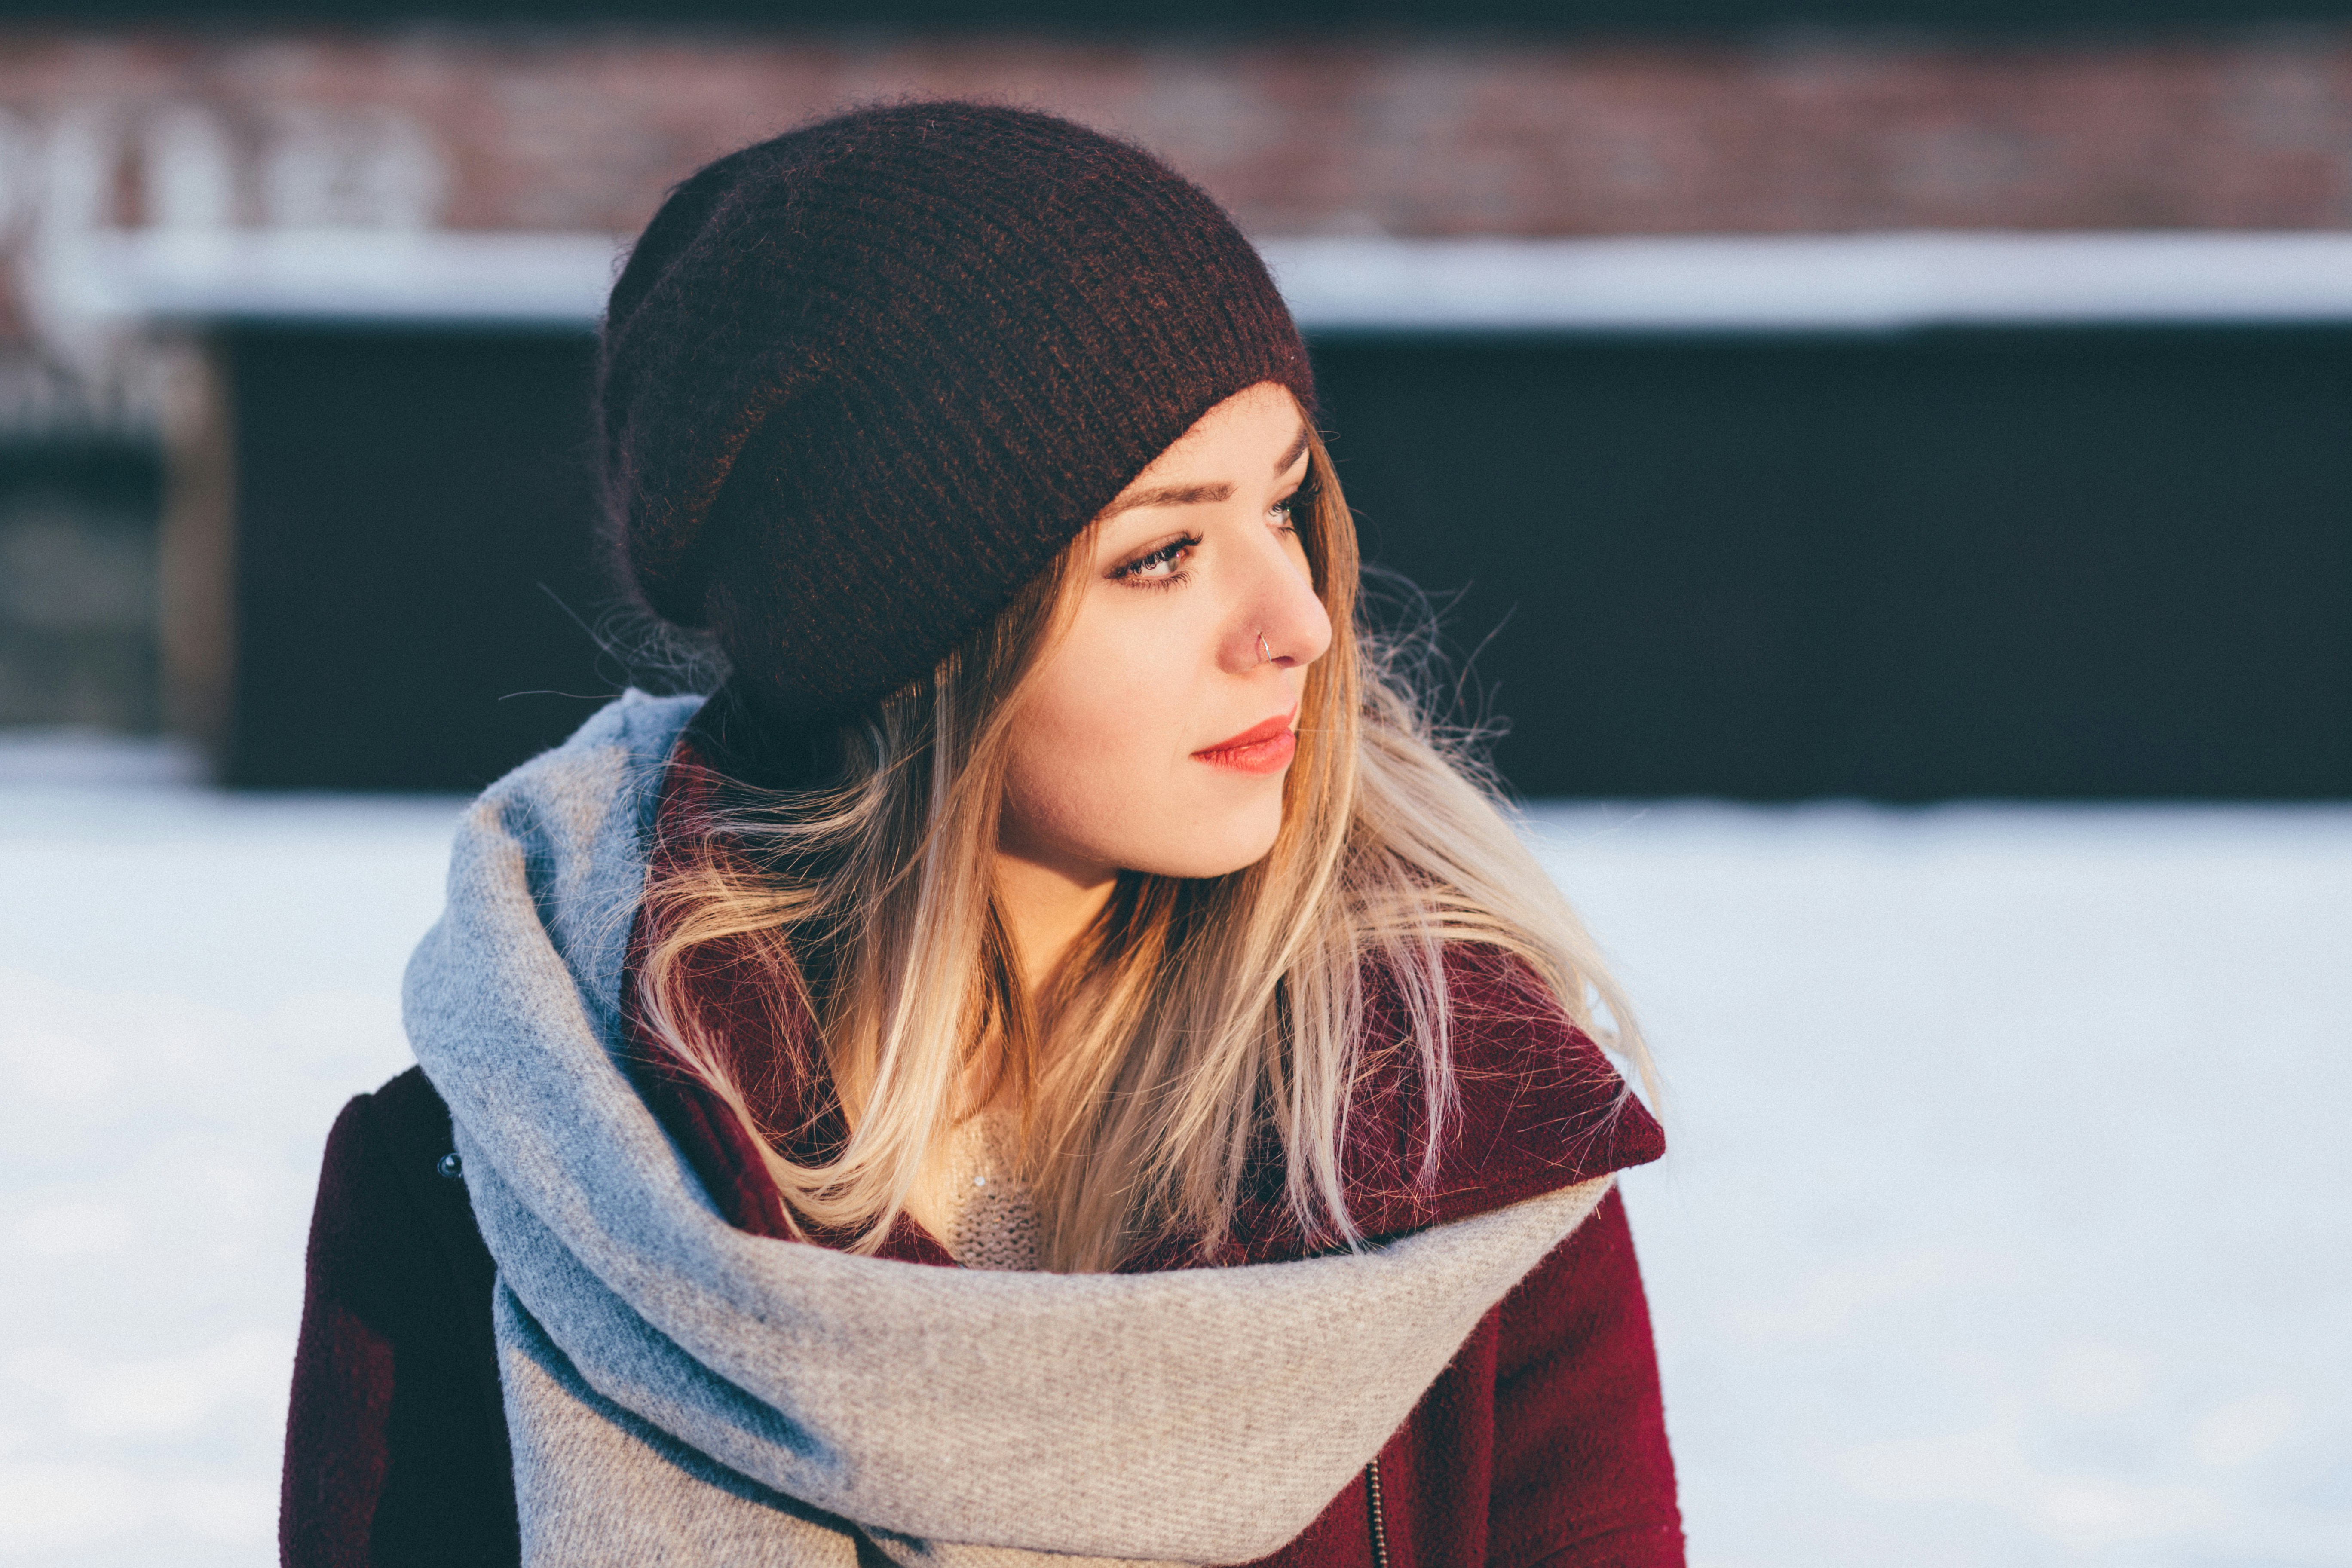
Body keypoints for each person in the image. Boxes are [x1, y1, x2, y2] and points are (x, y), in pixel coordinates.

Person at [280, 101, 1683, 1568]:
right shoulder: (508, 1182)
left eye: (1285, 507)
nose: (1301, 623)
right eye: (1162, 554)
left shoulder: (1448, 1146)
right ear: (914, 647)